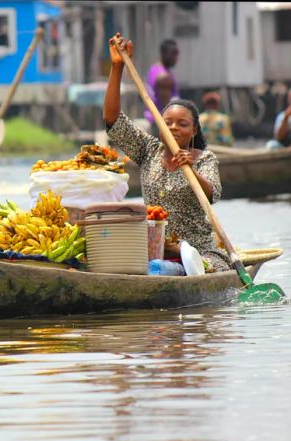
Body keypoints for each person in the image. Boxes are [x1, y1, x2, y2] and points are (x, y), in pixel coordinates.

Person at [104, 33, 229, 272]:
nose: (173, 128)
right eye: (167, 122)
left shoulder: (203, 158)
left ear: (193, 131)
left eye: (182, 124)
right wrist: (117, 67)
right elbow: (112, 120)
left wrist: (190, 168)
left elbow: (213, 194)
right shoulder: (148, 150)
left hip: (196, 252)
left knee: (194, 268)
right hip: (155, 249)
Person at [144, 38, 180, 136]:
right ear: (164, 53)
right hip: (162, 124)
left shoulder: (154, 69)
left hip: (155, 121)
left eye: (177, 53)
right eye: (174, 53)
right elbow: (167, 108)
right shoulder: (164, 76)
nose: (176, 57)